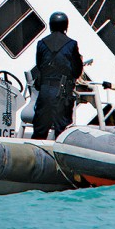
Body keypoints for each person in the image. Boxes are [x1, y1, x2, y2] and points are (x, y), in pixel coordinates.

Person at [31, 11, 83, 140]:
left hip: (45, 91)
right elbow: (77, 69)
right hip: (62, 92)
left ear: (51, 25)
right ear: (66, 26)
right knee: (61, 131)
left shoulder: (41, 43)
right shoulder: (71, 44)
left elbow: (39, 65)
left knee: (40, 129)